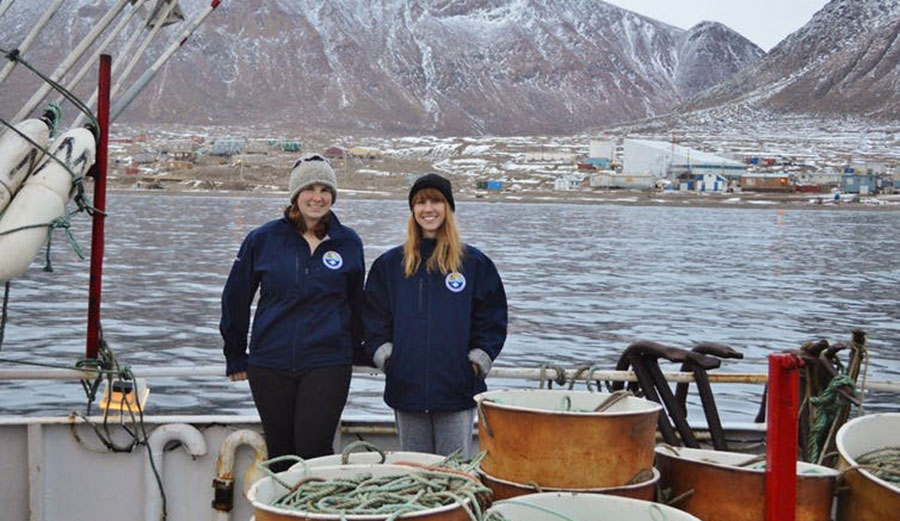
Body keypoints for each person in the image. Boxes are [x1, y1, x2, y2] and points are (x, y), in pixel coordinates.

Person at [220, 153, 364, 470]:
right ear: (295, 195)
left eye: (324, 189)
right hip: (270, 363)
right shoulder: (263, 240)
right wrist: (235, 352)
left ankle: (315, 516)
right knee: (282, 453)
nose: (317, 197)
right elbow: (236, 298)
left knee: (314, 451)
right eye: (309, 189)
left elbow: (356, 304)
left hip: (328, 362)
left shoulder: (348, 243)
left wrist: (360, 350)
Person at [363, 173, 507, 457]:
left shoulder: (474, 264)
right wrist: (390, 360)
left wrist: (475, 365)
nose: (428, 209)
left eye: (436, 201)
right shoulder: (390, 265)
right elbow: (372, 321)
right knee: (415, 473)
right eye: (420, 202)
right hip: (406, 389)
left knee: (453, 473)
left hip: (456, 390)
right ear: (412, 210)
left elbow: (492, 322)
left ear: (448, 208)